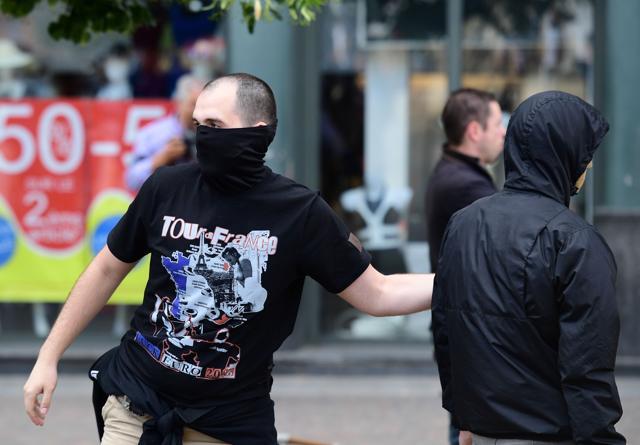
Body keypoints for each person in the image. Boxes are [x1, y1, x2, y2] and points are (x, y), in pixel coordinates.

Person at [24, 73, 434, 445]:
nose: (202, 136)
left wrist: (462, 274)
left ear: (257, 133)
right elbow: (107, 268)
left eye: (215, 126)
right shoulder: (167, 187)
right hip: (137, 407)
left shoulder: (300, 213)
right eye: (198, 125)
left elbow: (378, 293)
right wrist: (48, 356)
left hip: (228, 423)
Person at [432, 91, 625, 445]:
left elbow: (447, 333)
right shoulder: (575, 241)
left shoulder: (463, 224)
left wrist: (463, 418)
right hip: (547, 434)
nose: (590, 165)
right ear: (562, 152)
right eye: (586, 153)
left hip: (479, 432)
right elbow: (588, 368)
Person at [424, 88, 506, 445]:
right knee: (467, 431)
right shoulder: (466, 186)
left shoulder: (456, 173)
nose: (504, 132)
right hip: (470, 332)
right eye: (497, 123)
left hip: (462, 329)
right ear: (475, 131)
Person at [125, 74, 206, 191]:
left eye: (204, 105)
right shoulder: (154, 133)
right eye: (193, 104)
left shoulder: (217, 133)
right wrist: (161, 159)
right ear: (178, 102)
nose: (199, 111)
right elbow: (132, 181)